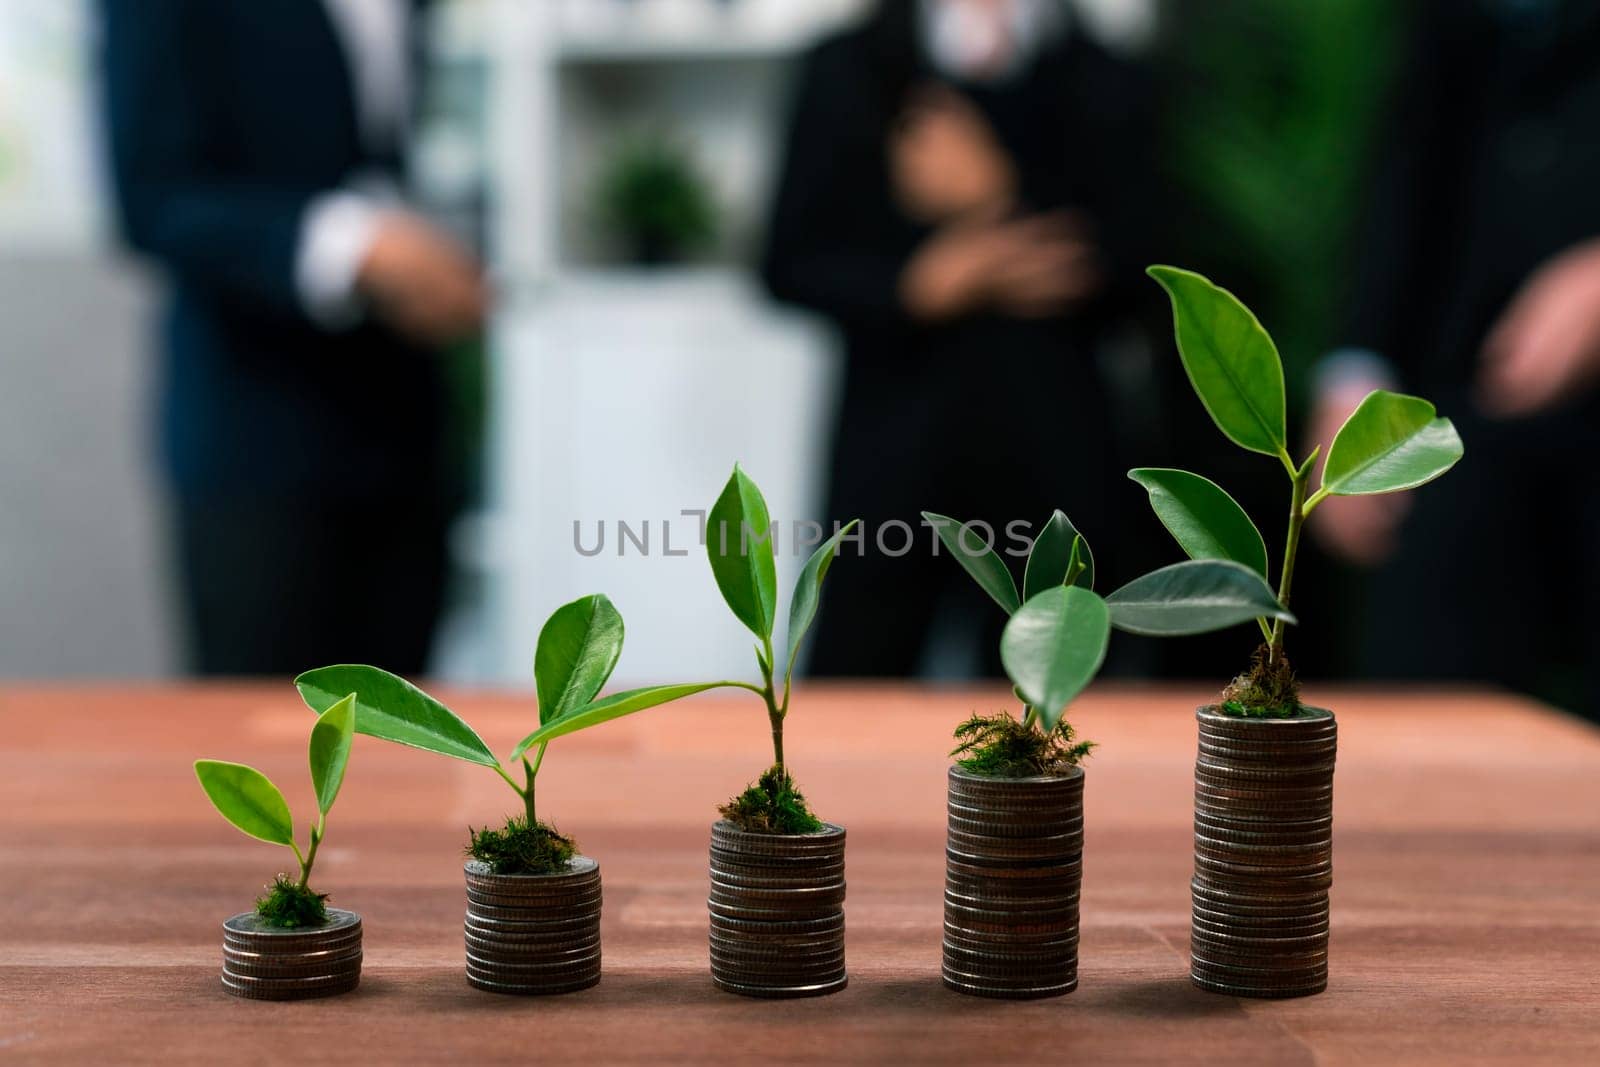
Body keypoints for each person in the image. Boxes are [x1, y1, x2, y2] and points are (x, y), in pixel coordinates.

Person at [762, 0, 1158, 677]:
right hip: (887, 465)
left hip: (1054, 471)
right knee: (854, 707)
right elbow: (786, 264)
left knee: (1050, 726)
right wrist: (917, 287)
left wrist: (996, 191)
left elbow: (1143, 268)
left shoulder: (1110, 75)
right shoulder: (849, 65)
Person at [98, 0, 487, 675]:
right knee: (263, 742)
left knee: (402, 744)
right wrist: (358, 247)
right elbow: (151, 199)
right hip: (255, 428)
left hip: (404, 424)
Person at [1308, 0, 1600, 720]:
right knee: (1421, 707)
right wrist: (1355, 374)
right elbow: (1406, 184)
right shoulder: (1450, 23)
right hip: (1461, 407)